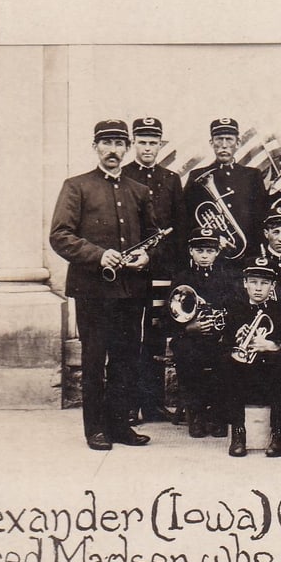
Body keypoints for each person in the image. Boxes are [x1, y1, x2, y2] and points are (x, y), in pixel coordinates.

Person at [49, 119, 158, 451]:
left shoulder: (139, 191)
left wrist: (146, 258)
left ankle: (120, 425)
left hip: (131, 292)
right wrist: (98, 255)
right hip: (93, 291)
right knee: (95, 359)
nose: (113, 150)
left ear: (127, 148)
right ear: (94, 146)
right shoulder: (76, 186)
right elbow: (60, 236)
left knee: (127, 359)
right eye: (106, 143)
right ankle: (95, 428)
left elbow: (153, 239)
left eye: (118, 143)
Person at [122, 116, 185, 423]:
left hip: (160, 269)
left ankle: (153, 402)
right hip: (131, 272)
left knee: (157, 335)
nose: (148, 148)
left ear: (161, 144)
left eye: (153, 143)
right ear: (135, 143)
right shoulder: (122, 175)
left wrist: (163, 260)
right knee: (130, 334)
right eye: (142, 142)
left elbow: (180, 227)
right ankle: (130, 404)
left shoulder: (171, 179)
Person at [221, 257, 281, 457]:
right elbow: (224, 344)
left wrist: (272, 345)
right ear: (245, 283)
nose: (258, 288)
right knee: (228, 364)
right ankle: (238, 432)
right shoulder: (235, 310)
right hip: (245, 378)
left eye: (264, 283)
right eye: (253, 282)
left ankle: (279, 433)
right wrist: (235, 347)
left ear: (273, 286)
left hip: (272, 377)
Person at [166, 227, 237, 439]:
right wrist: (189, 328)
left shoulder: (227, 276)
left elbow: (234, 309)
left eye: (209, 250)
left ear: (217, 252)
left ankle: (217, 415)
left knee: (225, 357)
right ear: (191, 251)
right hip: (190, 336)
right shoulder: (181, 278)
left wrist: (221, 326)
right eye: (199, 250)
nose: (204, 255)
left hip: (218, 336)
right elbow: (170, 312)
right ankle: (195, 414)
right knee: (187, 354)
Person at [181, 118, 267, 266]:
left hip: (247, 255)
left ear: (238, 143)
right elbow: (187, 218)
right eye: (219, 140)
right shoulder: (197, 176)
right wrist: (213, 238)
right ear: (211, 143)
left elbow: (260, 216)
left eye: (229, 139)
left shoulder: (252, 175)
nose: (224, 145)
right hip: (211, 257)